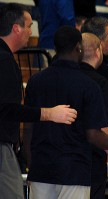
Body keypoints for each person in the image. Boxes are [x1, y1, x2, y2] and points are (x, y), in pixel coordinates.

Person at [24, 26, 108, 199]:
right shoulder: (89, 85)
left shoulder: (35, 81)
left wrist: (31, 164)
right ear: (78, 48)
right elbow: (93, 134)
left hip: (41, 168)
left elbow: (28, 128)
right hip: (74, 169)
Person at [0, 4, 78, 199]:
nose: (31, 31)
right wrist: (48, 113)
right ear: (16, 28)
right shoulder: (4, 61)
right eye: (28, 26)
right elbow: (6, 109)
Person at [81, 16, 108, 199]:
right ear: (98, 45)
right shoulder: (104, 78)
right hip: (93, 156)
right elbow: (104, 125)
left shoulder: (61, 71)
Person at [79, 32, 108, 199]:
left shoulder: (69, 76)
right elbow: (103, 125)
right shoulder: (100, 82)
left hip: (67, 157)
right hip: (93, 160)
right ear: (98, 52)